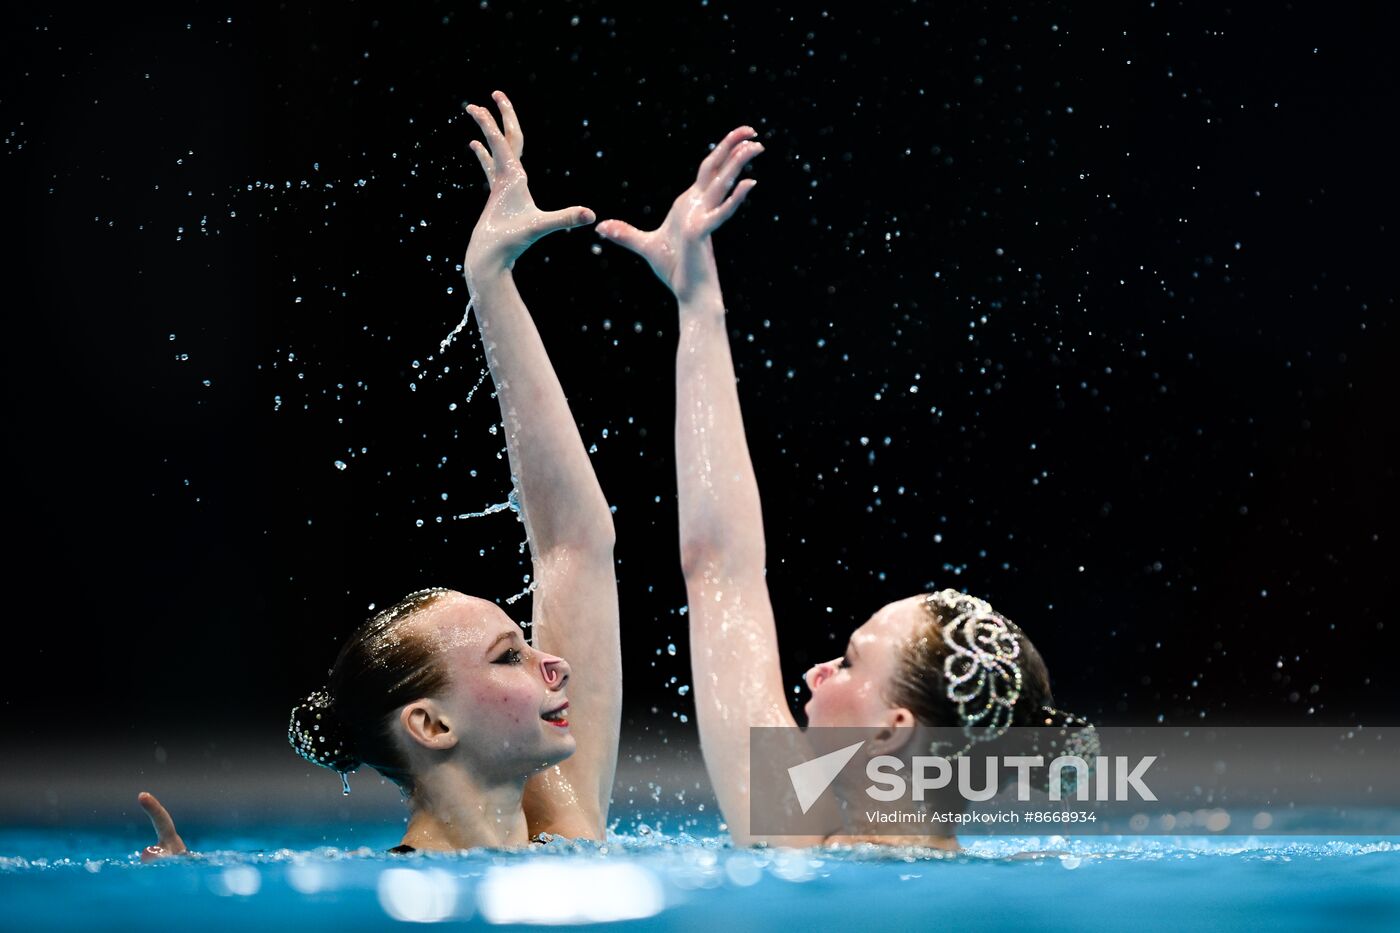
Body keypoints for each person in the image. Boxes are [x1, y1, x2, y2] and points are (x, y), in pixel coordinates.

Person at [138, 90, 620, 858]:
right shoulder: (394, 892)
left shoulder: (564, 831)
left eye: (519, 645)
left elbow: (573, 543)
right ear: (431, 726)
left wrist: (490, 281)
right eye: (510, 654)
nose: (552, 658)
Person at [597, 127, 1093, 849]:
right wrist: (697, 302)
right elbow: (718, 568)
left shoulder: (794, 837)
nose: (815, 668)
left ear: (893, 730)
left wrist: (697, 304)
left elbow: (720, 574)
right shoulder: (803, 838)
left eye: (851, 660)